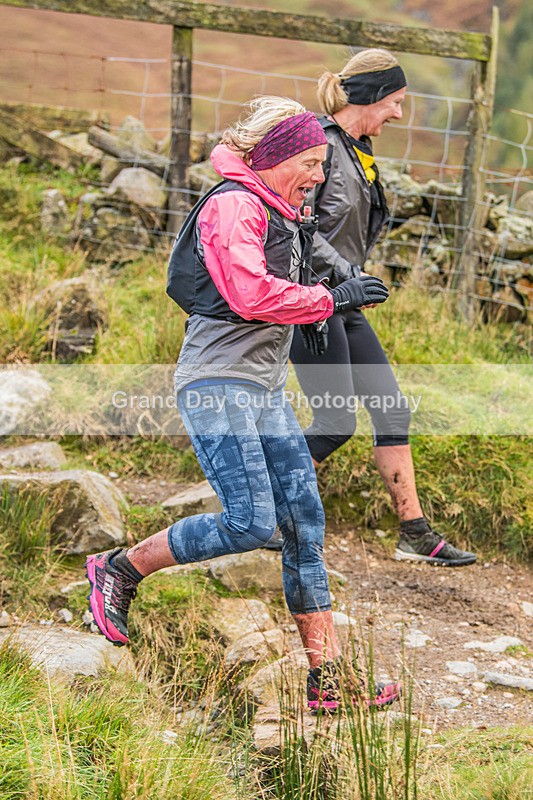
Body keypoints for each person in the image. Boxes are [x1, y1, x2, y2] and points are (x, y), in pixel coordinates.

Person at [86, 96, 400, 712]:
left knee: (304, 526)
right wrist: (328, 302)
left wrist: (320, 300)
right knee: (251, 521)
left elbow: (278, 294)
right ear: (278, 155)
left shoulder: (283, 212)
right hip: (216, 385)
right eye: (311, 161)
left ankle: (327, 684)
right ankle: (120, 568)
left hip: (262, 388)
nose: (318, 174)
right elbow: (249, 293)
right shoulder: (234, 205)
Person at [289, 49, 477, 567]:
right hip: (312, 303)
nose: (398, 113)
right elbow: (297, 230)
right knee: (334, 424)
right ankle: (263, 505)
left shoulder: (357, 149)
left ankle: (414, 532)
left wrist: (351, 276)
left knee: (391, 409)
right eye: (395, 101)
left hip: (345, 303)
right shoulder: (320, 148)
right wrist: (346, 273)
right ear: (371, 96)